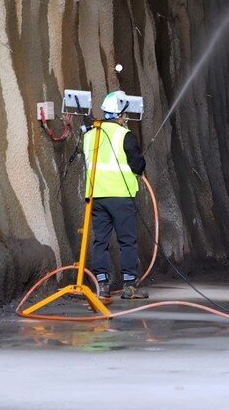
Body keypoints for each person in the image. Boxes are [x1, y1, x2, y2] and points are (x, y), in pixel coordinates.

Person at [81, 91, 148, 300]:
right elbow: (138, 166)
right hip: (120, 195)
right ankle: (129, 285)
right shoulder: (125, 135)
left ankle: (101, 285)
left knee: (100, 241)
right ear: (119, 113)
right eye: (124, 114)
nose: (126, 118)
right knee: (127, 241)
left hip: (96, 196)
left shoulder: (90, 134)